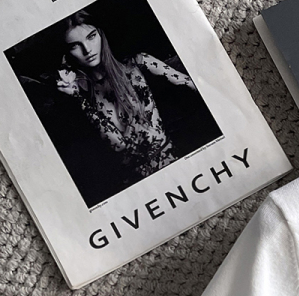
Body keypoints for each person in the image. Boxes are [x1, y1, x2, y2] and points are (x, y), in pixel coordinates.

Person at [53, 11, 200, 190]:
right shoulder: (81, 93)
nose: (87, 49)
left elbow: (192, 84)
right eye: (75, 46)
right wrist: (78, 98)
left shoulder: (137, 64)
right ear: (67, 53)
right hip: (135, 185)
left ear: (101, 34)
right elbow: (119, 145)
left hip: (173, 163)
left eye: (91, 37)